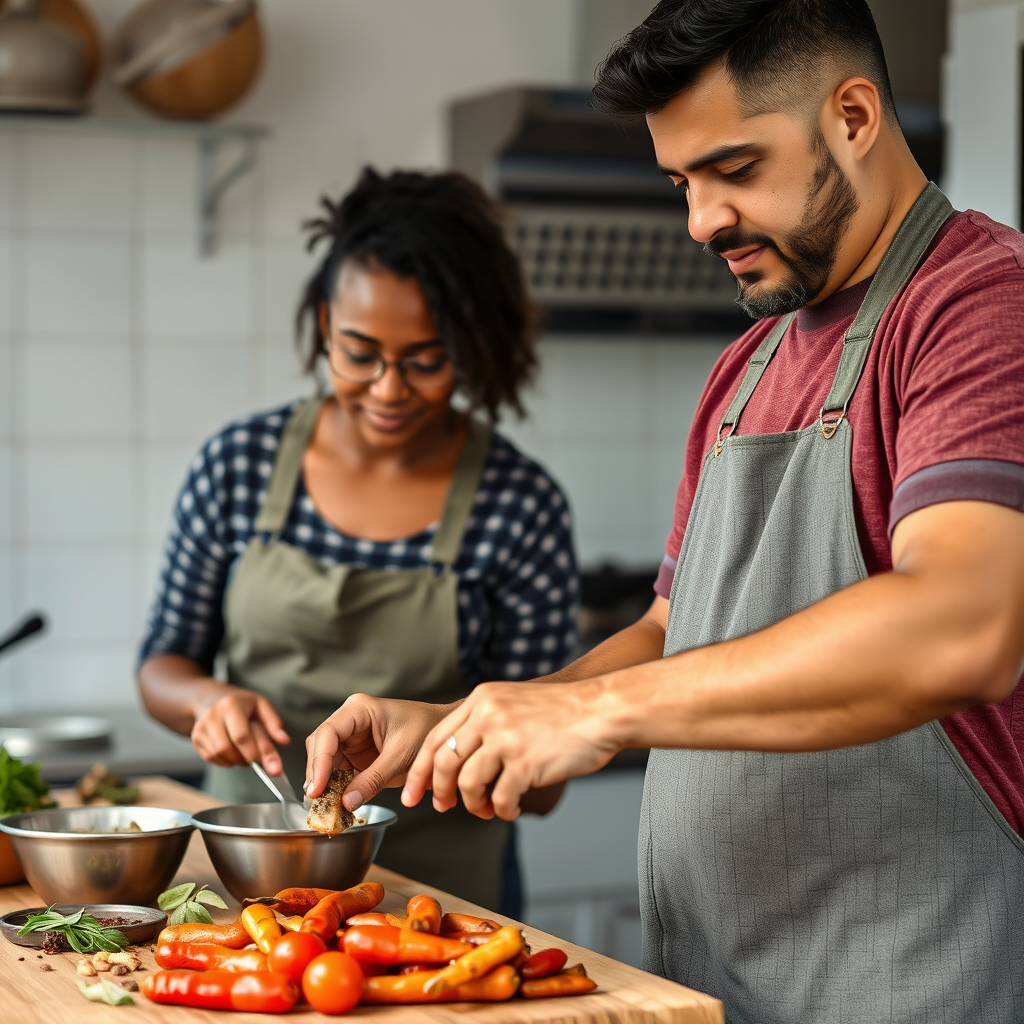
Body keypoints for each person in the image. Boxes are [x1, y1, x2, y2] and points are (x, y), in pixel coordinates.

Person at [303, 3, 1024, 1021]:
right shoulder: (745, 366)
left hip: (909, 978)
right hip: (711, 977)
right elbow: (671, 629)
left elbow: (963, 625)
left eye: (734, 169)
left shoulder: (977, 303)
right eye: (681, 182)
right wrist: (474, 721)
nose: (700, 222)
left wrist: (591, 712)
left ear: (854, 115)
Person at [137, 167, 577, 914]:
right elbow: (162, 665)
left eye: (426, 360)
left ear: (469, 346)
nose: (388, 389)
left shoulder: (518, 504)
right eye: (359, 353)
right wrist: (205, 701)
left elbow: (542, 785)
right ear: (322, 325)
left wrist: (450, 750)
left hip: (440, 904)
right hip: (248, 888)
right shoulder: (238, 465)